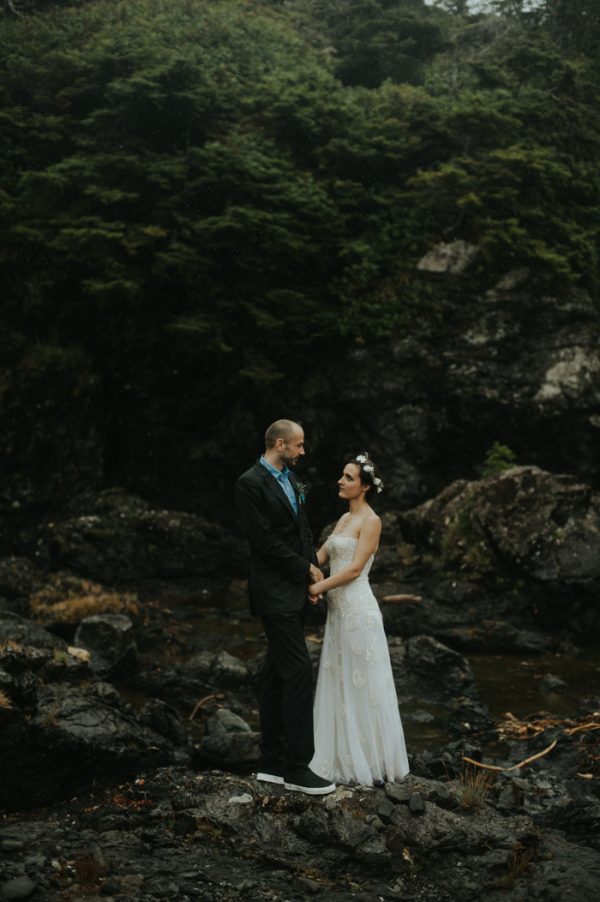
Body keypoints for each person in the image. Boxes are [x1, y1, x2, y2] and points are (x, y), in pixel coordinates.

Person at [235, 419, 336, 796]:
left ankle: (272, 764)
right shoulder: (249, 483)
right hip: (273, 592)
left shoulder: (291, 480)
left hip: (295, 588)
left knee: (274, 674)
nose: (303, 451)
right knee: (297, 672)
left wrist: (312, 576)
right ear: (280, 444)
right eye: (299, 445)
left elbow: (302, 530)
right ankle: (298, 767)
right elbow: (263, 542)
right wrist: (305, 568)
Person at [308, 453, 411, 786]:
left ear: (364, 487)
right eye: (342, 475)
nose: (340, 480)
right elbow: (320, 558)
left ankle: (370, 762)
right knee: (339, 680)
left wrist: (318, 586)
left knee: (363, 685)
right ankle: (339, 755)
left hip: (357, 611)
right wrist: (305, 571)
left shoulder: (372, 521)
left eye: (348, 477)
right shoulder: (341, 520)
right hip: (337, 615)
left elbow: (353, 570)